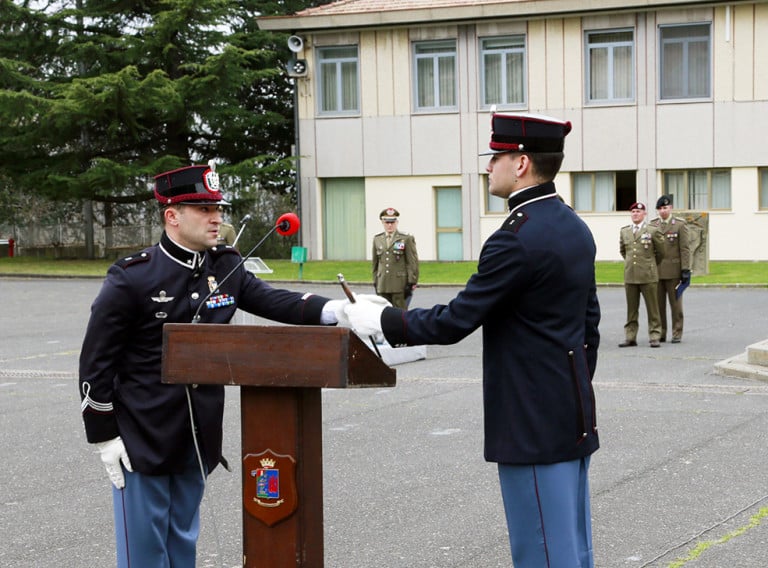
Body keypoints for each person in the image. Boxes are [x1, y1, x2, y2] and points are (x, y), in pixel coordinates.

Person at [347, 113, 601, 568]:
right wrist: (569, 388)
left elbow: (455, 320)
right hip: (570, 412)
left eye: (495, 158)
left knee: (542, 551)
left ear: (520, 163)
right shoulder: (572, 226)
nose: (489, 167)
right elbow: (589, 328)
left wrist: (383, 319)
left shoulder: (516, 238)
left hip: (532, 422)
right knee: (573, 549)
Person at [78, 163, 352, 567]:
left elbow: (274, 301)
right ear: (172, 216)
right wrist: (104, 436)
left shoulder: (224, 267)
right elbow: (95, 362)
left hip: (196, 438)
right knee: (144, 555)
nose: (216, 217)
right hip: (142, 437)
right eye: (204, 209)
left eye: (217, 208)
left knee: (182, 547)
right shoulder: (133, 278)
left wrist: (337, 310)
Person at [619, 202, 666, 348]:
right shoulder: (625, 231)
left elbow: (661, 253)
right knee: (631, 310)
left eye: (638, 212)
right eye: (633, 212)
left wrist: (650, 264)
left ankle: (654, 335)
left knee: (653, 308)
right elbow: (623, 251)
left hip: (648, 275)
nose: (635, 214)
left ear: (644, 214)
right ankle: (630, 336)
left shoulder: (652, 230)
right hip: (631, 275)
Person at [649, 195, 691, 343]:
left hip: (674, 271)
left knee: (676, 306)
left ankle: (677, 332)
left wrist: (685, 269)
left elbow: (685, 249)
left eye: (665, 208)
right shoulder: (653, 225)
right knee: (658, 306)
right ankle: (661, 332)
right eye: (660, 209)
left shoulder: (679, 225)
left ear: (671, 208)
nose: (663, 211)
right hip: (657, 272)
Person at [372, 207, 419, 309]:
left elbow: (412, 262)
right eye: (387, 222)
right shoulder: (377, 239)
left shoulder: (405, 238)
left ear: (397, 222)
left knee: (400, 314)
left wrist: (412, 281)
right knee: (383, 313)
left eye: (392, 222)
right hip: (382, 284)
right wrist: (375, 281)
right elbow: (375, 264)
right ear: (382, 222)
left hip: (399, 284)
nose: (389, 225)